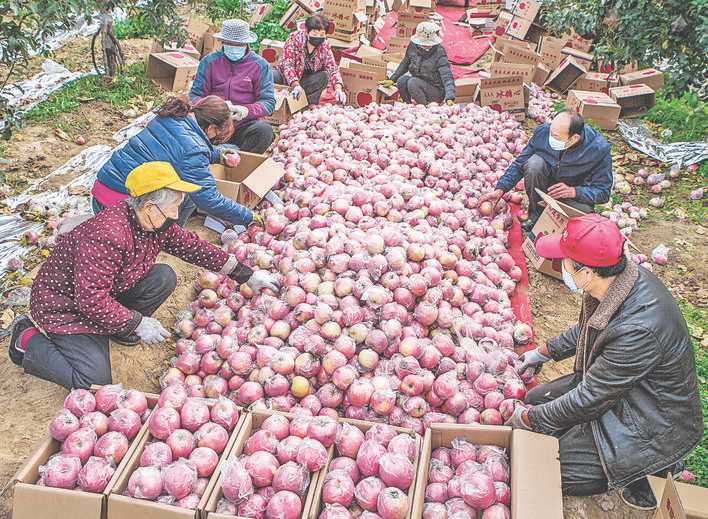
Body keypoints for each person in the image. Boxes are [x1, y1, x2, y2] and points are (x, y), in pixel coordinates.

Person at [8, 164, 279, 390]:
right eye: (173, 207)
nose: (176, 214)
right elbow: (89, 300)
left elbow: (191, 247)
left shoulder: (154, 223)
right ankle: (26, 340)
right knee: (93, 382)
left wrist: (245, 275)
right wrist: (137, 322)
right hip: (66, 307)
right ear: (150, 207)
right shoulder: (108, 235)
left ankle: (119, 329)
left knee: (162, 277)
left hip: (107, 292)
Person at [505, 214, 703, 510]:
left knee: (549, 467)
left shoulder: (639, 329)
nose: (561, 267)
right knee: (536, 399)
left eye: (565, 262)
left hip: (650, 422)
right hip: (622, 389)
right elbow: (590, 329)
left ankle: (654, 466)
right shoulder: (616, 284)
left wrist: (530, 419)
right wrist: (543, 351)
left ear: (586, 272)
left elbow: (590, 399)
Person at [94, 95, 256, 228]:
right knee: (190, 193)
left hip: (102, 190)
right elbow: (209, 199)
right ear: (211, 128)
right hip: (121, 206)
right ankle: (168, 235)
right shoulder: (193, 149)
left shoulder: (172, 117)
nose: (217, 137)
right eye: (218, 132)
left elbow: (179, 150)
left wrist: (219, 156)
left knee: (187, 186)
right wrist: (248, 216)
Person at [480, 110, 612, 234]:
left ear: (574, 138)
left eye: (556, 136)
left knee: (585, 216)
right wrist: (500, 189)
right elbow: (520, 163)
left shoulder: (598, 150)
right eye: (551, 132)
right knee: (534, 164)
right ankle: (535, 215)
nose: (551, 137)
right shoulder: (544, 132)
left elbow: (603, 192)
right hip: (546, 187)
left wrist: (574, 191)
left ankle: (564, 229)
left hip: (572, 194)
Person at [190, 19, 276, 154]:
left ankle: (236, 158)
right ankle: (214, 152)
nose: (234, 47)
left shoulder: (260, 65)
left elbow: (268, 103)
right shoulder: (209, 62)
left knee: (264, 131)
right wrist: (216, 106)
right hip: (212, 125)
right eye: (229, 43)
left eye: (238, 44)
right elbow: (194, 95)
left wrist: (246, 110)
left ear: (246, 43)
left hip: (242, 125)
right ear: (222, 42)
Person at [273, 15, 347, 106]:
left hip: (306, 80)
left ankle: (307, 105)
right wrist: (295, 85)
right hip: (285, 78)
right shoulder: (294, 39)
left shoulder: (324, 46)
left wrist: (338, 88)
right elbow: (288, 65)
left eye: (322, 34)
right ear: (307, 32)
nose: (318, 37)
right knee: (271, 75)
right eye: (315, 34)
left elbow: (333, 68)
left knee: (324, 76)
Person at [379, 21, 454, 106]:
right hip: (419, 83)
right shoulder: (413, 46)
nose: (425, 46)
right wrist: (392, 79)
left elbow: (447, 76)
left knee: (412, 82)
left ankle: (424, 109)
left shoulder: (439, 53)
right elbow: (405, 63)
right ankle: (409, 105)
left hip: (436, 89)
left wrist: (450, 96)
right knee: (402, 80)